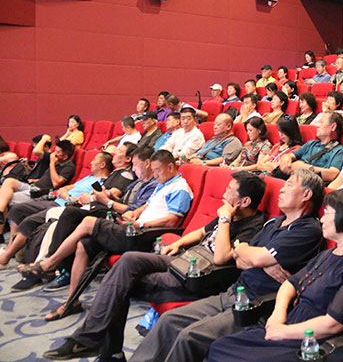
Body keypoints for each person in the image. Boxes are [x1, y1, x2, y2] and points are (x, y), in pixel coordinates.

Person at [42, 172, 267, 361]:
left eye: (230, 190)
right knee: (129, 259)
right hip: (185, 260)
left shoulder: (254, 225)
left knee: (119, 286)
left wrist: (225, 219)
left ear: (245, 201)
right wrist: (178, 243)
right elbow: (202, 232)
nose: (224, 194)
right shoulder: (227, 213)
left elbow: (221, 258)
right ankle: (99, 345)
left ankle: (101, 347)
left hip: (201, 276)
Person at [124, 169, 324, 362]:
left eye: (289, 185)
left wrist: (252, 255)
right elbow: (239, 258)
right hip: (234, 292)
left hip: (256, 304)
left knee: (189, 335)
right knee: (169, 320)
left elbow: (254, 257)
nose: (282, 189)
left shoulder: (308, 229)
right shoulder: (274, 222)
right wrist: (254, 256)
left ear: (306, 195)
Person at [208, 188, 343, 362]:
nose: (322, 218)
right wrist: (278, 314)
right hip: (290, 322)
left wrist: (283, 332)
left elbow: (333, 324)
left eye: (328, 213)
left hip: (311, 342)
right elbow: (290, 283)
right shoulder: (328, 254)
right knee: (221, 346)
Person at [23, 150, 191, 299]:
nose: (155, 175)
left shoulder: (180, 187)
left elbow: (172, 220)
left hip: (145, 235)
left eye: (158, 170)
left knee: (88, 221)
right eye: (153, 170)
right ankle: (72, 300)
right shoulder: (163, 185)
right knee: (83, 244)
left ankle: (49, 263)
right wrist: (133, 214)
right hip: (134, 227)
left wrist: (141, 224)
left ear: (170, 167)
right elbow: (146, 207)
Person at [0, 151, 115, 269]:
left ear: (102, 165)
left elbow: (85, 201)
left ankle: (5, 258)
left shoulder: (101, 183)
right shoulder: (89, 177)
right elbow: (70, 186)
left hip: (64, 207)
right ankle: (10, 247)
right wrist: (64, 190)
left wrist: (67, 196)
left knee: (29, 221)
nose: (91, 162)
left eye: (94, 160)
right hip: (54, 200)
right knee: (17, 209)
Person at [0, 139, 75, 223]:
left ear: (65, 157)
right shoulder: (57, 161)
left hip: (40, 193)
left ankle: (2, 224)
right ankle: (0, 212)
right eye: (55, 151)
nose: (54, 154)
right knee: (9, 181)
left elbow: (56, 183)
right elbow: (47, 178)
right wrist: (36, 180)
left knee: (4, 199)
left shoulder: (69, 167)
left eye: (57, 152)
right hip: (33, 186)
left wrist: (52, 163)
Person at [280, 112, 343, 182]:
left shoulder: (340, 151)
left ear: (333, 127)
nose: (317, 125)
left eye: (321, 122)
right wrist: (286, 158)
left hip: (309, 183)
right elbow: (291, 155)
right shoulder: (311, 143)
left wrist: (305, 168)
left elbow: (332, 174)